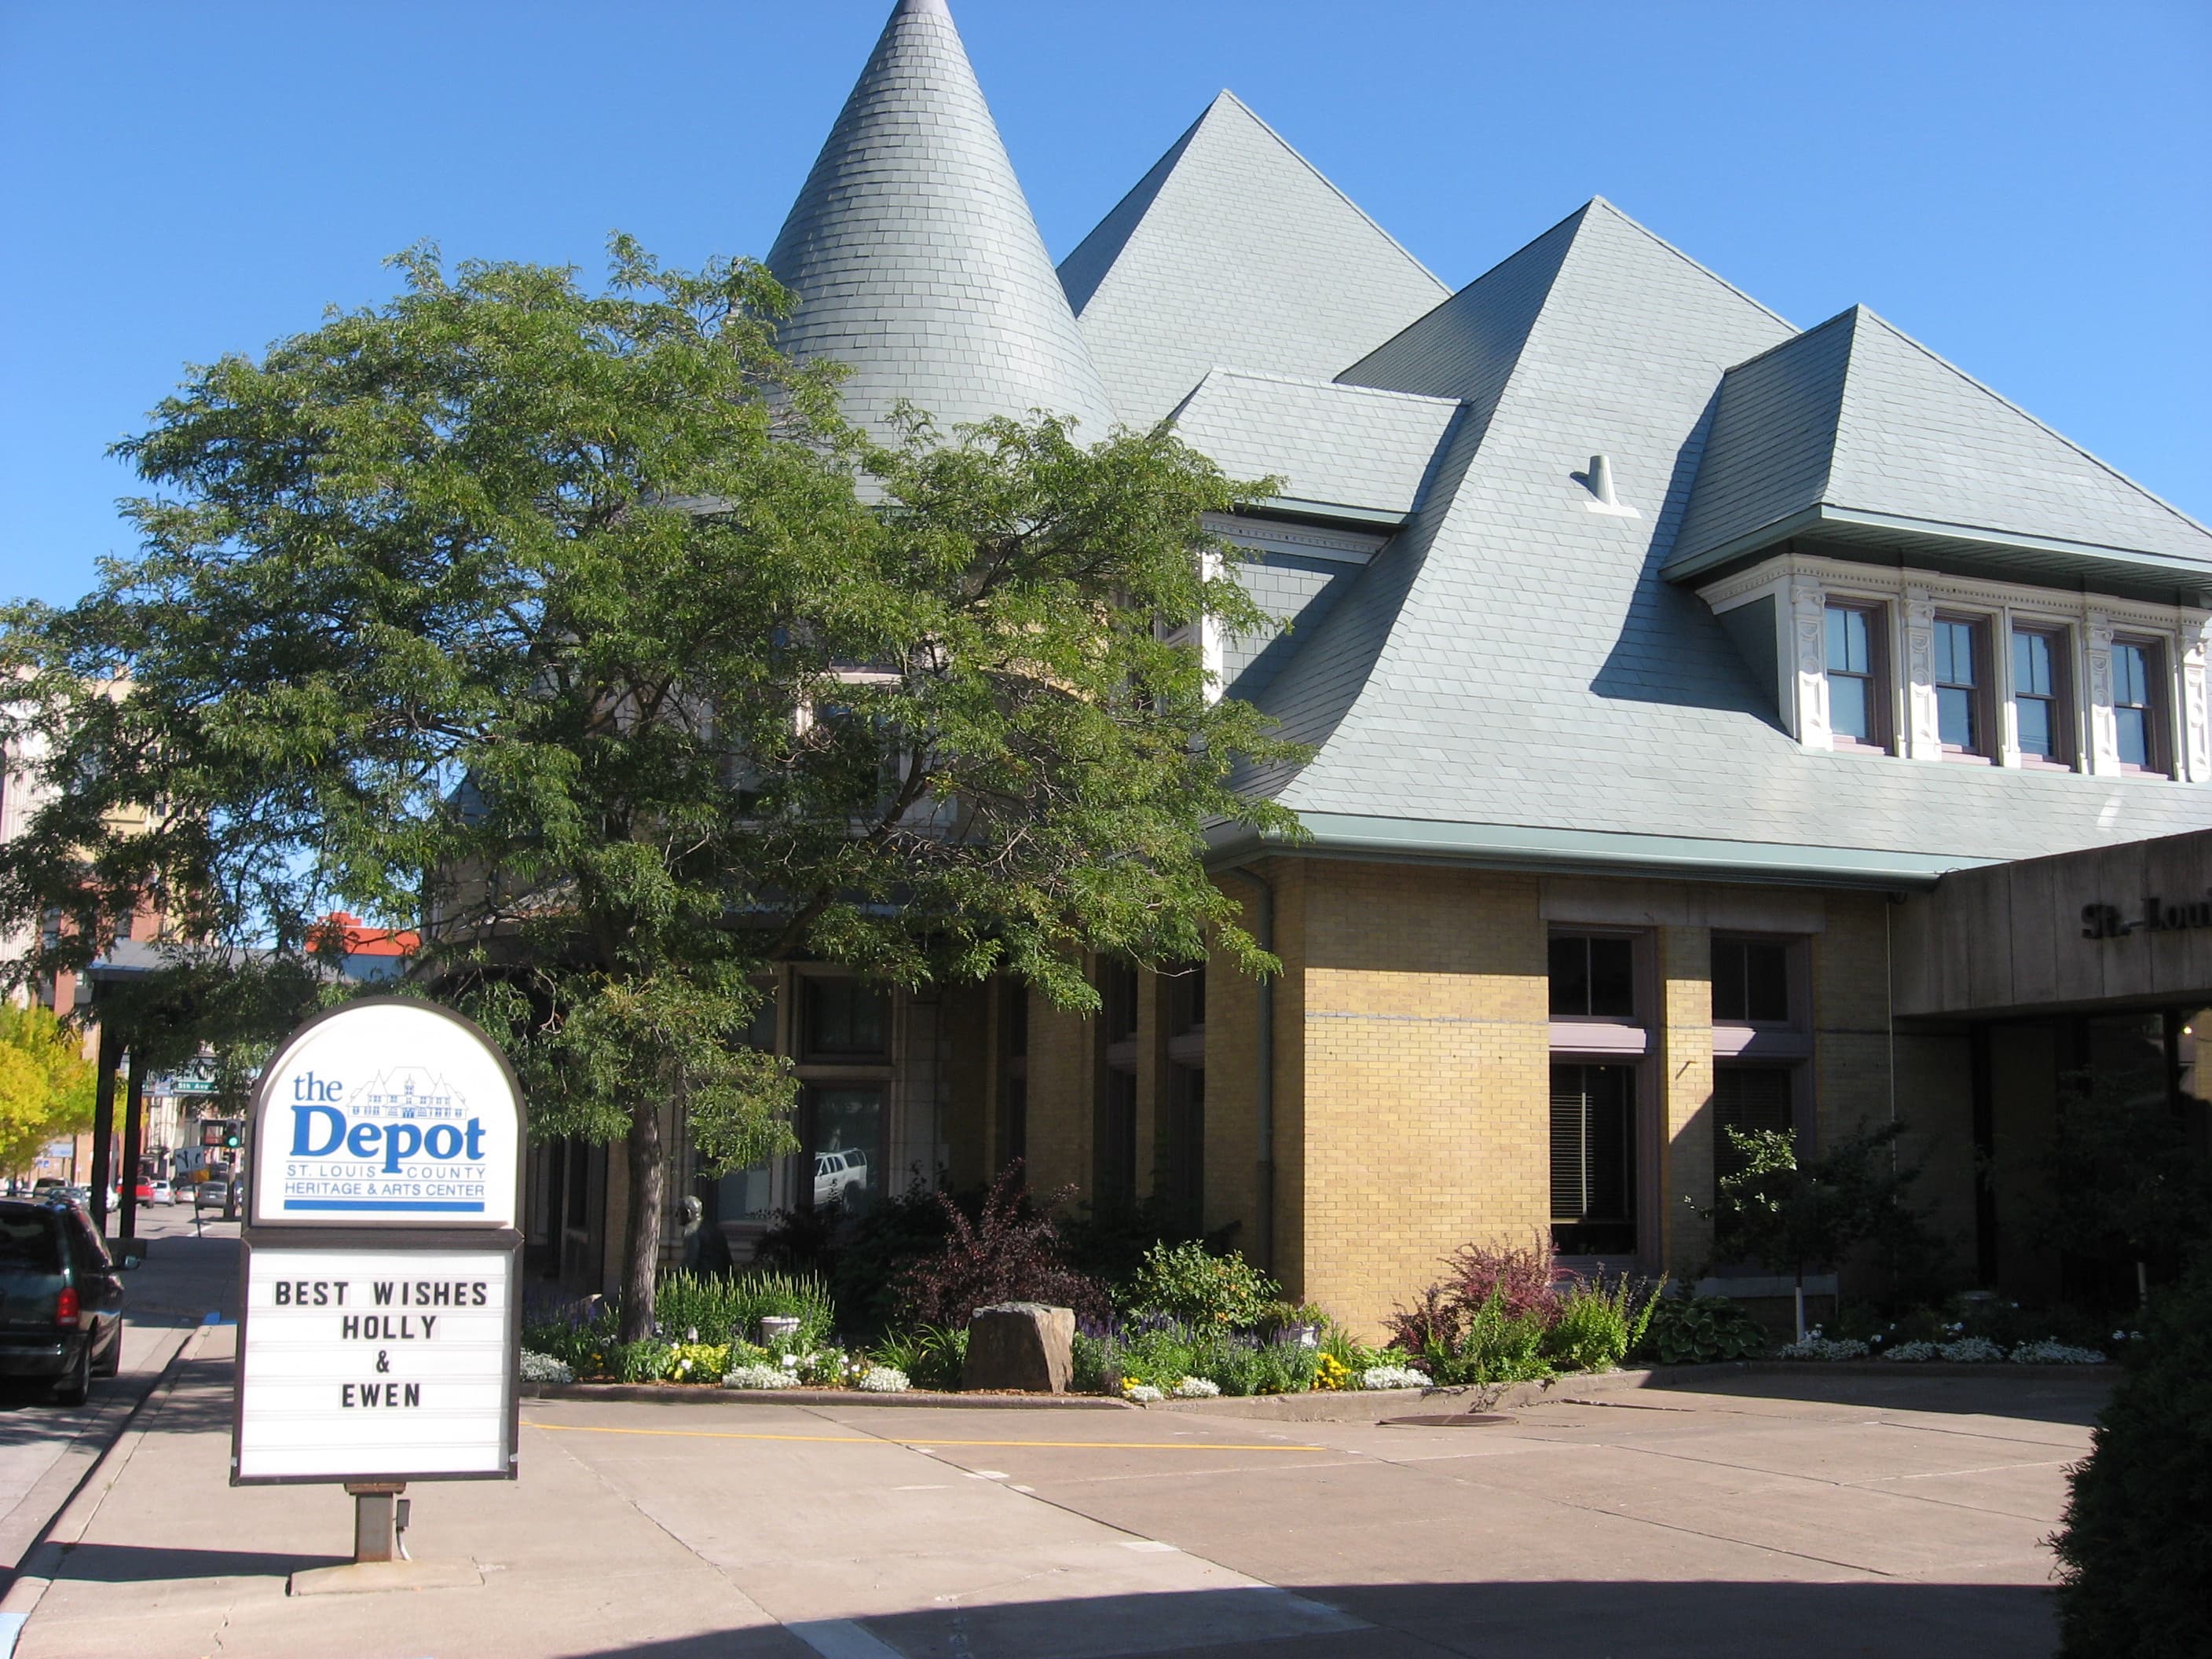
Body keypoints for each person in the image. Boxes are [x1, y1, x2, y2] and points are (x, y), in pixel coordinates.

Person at [679, 1195, 732, 1277]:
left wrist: (674, 1276)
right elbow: (728, 1261)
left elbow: (690, 1262)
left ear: (687, 1213)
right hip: (719, 1280)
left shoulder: (691, 1231)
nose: (676, 1215)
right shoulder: (714, 1228)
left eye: (679, 1211)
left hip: (701, 1280)